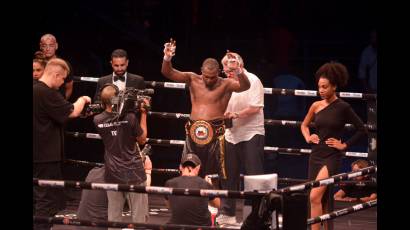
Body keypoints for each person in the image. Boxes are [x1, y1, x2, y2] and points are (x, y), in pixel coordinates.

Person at [161, 39, 250, 178]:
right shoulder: (192, 78)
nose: (209, 80)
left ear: (219, 72)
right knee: (188, 170)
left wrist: (238, 70)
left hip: (215, 133)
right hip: (193, 131)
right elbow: (168, 73)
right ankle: (189, 199)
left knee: (212, 175)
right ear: (201, 71)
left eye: (212, 77)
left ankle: (212, 199)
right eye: (206, 77)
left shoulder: (226, 84)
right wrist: (167, 57)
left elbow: (245, 86)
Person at [300, 61, 367, 230]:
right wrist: (309, 137)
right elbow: (304, 125)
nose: (321, 90)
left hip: (331, 156)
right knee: (319, 198)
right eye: (319, 87)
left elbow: (362, 129)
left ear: (334, 86)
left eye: (325, 87)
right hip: (316, 154)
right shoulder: (316, 105)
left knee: (314, 196)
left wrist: (344, 145)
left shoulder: (343, 107)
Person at [33, 58, 92, 230]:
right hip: (45, 156)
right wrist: (82, 99)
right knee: (46, 199)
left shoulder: (36, 91)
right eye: (62, 79)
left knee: (39, 197)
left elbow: (57, 114)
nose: (62, 84)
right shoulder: (46, 92)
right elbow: (72, 111)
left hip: (38, 154)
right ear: (56, 74)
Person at [217, 52, 265, 225]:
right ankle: (227, 213)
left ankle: (253, 216)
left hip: (252, 132)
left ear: (239, 66)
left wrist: (235, 114)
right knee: (228, 176)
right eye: (225, 68)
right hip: (231, 134)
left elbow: (256, 107)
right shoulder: (224, 83)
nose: (227, 71)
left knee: (253, 176)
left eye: (230, 68)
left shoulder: (253, 79)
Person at [93, 83, 150, 229]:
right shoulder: (130, 117)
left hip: (113, 171)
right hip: (134, 171)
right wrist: (143, 114)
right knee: (139, 217)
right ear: (117, 99)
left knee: (114, 216)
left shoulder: (97, 120)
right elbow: (142, 140)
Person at [75, 153, 152, 230]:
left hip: (80, 226)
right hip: (102, 227)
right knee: (140, 213)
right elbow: (141, 196)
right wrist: (147, 171)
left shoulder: (93, 171)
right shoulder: (116, 179)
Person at [164, 153, 221, 226]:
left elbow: (169, 205)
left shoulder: (170, 183)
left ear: (180, 167)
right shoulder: (204, 184)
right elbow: (217, 204)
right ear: (198, 168)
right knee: (213, 213)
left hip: (176, 226)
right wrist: (210, 186)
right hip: (201, 227)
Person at [39, 33, 74, 99]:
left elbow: (69, 88)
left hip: (58, 103)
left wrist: (62, 103)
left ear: (56, 46)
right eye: (44, 46)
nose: (48, 49)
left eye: (51, 45)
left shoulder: (64, 65)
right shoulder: (36, 64)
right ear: (40, 46)